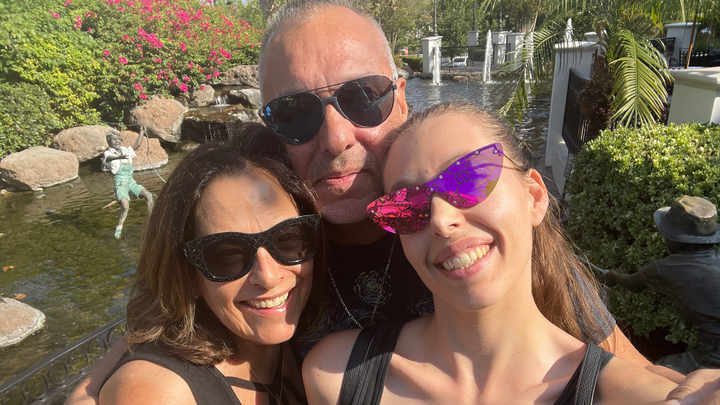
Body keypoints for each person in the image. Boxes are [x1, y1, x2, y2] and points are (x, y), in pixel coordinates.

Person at [67, 0, 720, 402]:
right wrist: (99, 383)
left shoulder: (483, 232)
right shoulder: (270, 228)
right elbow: (165, 315)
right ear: (271, 129)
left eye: (362, 97)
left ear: (402, 98)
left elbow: (624, 371)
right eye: (295, 114)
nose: (336, 137)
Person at [303, 100, 679, 405]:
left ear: (534, 197)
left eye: (468, 178)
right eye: (407, 206)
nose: (441, 220)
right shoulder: (336, 377)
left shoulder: (633, 397)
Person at [97, 123, 324, 405]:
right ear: (187, 274)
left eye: (288, 239)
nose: (267, 276)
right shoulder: (165, 393)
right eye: (227, 256)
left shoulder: (312, 330)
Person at [603, 195, 720, 374]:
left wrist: (613, 277)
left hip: (715, 356)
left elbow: (633, 284)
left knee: (656, 373)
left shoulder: (666, 269)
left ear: (674, 239)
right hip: (710, 346)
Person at [102, 128, 154, 239]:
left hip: (131, 182)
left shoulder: (126, 150)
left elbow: (137, 145)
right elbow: (109, 158)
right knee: (125, 206)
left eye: (118, 139)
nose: (116, 141)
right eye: (113, 140)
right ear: (109, 142)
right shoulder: (108, 153)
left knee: (148, 195)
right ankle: (119, 227)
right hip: (120, 184)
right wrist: (119, 157)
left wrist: (141, 132)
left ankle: (152, 221)